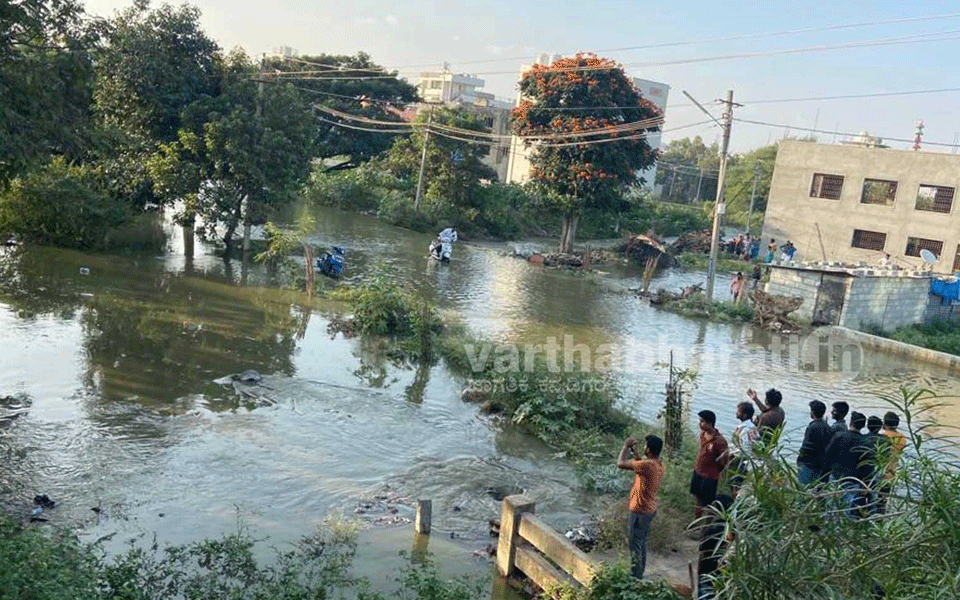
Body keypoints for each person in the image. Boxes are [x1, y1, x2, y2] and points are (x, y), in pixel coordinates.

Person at [617, 434, 666, 579]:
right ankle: (639, 573)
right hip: (649, 510)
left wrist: (625, 446)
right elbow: (642, 466)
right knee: (642, 543)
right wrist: (637, 455)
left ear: (649, 450)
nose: (644, 448)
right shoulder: (658, 465)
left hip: (639, 509)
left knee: (635, 545)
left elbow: (620, 463)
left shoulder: (646, 465)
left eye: (645, 446)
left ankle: (635, 576)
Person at [824, 411, 870, 518]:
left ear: (851, 422)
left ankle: (829, 528)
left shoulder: (839, 436)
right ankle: (844, 531)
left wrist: (824, 476)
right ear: (863, 426)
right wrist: (865, 483)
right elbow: (867, 465)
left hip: (836, 476)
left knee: (831, 506)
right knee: (848, 509)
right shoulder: (864, 442)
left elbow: (827, 455)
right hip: (853, 480)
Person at [691, 410, 729, 519]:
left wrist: (716, 472)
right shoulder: (703, 435)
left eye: (702, 421)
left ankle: (706, 528)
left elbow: (724, 460)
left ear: (710, 423)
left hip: (710, 477)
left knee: (708, 503)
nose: (699, 424)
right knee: (697, 499)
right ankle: (696, 522)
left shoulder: (719, 441)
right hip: (698, 472)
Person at [797, 400, 833, 486]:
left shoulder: (812, 427)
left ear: (812, 412)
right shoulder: (827, 427)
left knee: (803, 489)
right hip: (819, 465)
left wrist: (799, 459)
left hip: (807, 464)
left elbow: (806, 447)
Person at [878, 411, 907, 512]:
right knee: (882, 501)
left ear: (884, 423)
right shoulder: (902, 438)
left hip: (878, 471)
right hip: (891, 473)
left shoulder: (881, 435)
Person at [731, 402, 758, 492]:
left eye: (738, 411)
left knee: (736, 484)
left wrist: (733, 456)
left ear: (745, 415)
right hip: (747, 460)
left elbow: (746, 448)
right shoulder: (752, 427)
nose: (736, 413)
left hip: (743, 461)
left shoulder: (745, 429)